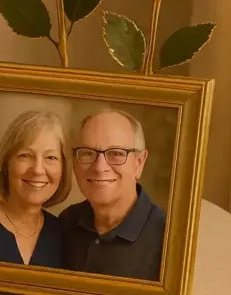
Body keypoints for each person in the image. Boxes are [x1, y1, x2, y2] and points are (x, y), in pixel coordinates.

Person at [59, 109, 166, 281]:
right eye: (87, 153)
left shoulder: (167, 239)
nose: (100, 167)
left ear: (139, 163)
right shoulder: (66, 223)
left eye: (116, 153)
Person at [0, 111, 71, 268]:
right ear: (6, 163)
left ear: (63, 168)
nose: (38, 170)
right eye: (25, 155)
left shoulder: (62, 234)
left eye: (50, 157)